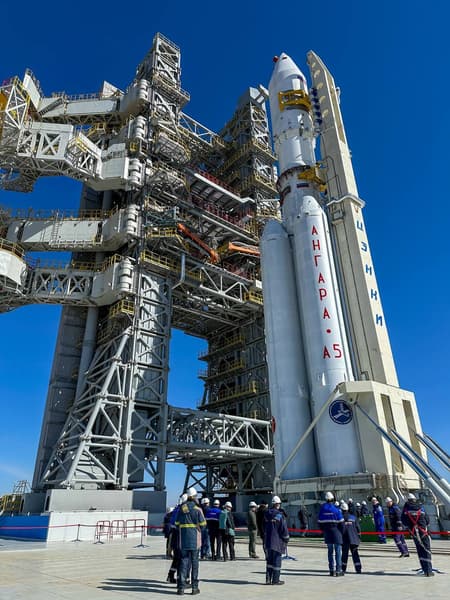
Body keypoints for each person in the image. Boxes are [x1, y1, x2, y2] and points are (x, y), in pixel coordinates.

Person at [175, 487, 207, 595]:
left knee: (183, 563)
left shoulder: (182, 509)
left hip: (183, 540)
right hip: (195, 540)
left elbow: (177, 524)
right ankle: (194, 588)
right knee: (194, 563)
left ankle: (181, 588)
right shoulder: (198, 509)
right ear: (194, 497)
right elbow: (203, 525)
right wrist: (197, 528)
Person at [401, 493, 434, 576]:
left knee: (420, 550)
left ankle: (425, 570)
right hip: (423, 532)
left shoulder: (406, 509)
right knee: (427, 550)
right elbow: (427, 520)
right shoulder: (420, 507)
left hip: (414, 533)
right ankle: (429, 571)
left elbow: (404, 521)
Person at [263, 495, 289, 585]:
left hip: (268, 541)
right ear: (278, 504)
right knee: (277, 561)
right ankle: (275, 580)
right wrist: (286, 538)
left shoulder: (266, 514)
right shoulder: (279, 515)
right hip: (277, 542)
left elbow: (263, 526)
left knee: (269, 561)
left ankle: (268, 579)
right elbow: (283, 528)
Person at [318, 491, 345, 576]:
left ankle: (331, 570)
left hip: (327, 533)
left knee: (330, 552)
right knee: (338, 552)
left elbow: (319, 522)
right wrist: (342, 533)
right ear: (333, 499)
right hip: (337, 533)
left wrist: (323, 531)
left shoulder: (322, 509)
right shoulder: (336, 509)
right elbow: (342, 523)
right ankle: (338, 570)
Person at [341, 502, 362, 574]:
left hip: (345, 539)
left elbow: (340, 529)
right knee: (355, 554)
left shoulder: (341, 518)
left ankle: (343, 569)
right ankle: (358, 569)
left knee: (344, 555)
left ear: (342, 510)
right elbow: (358, 528)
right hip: (354, 539)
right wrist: (359, 538)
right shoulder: (353, 517)